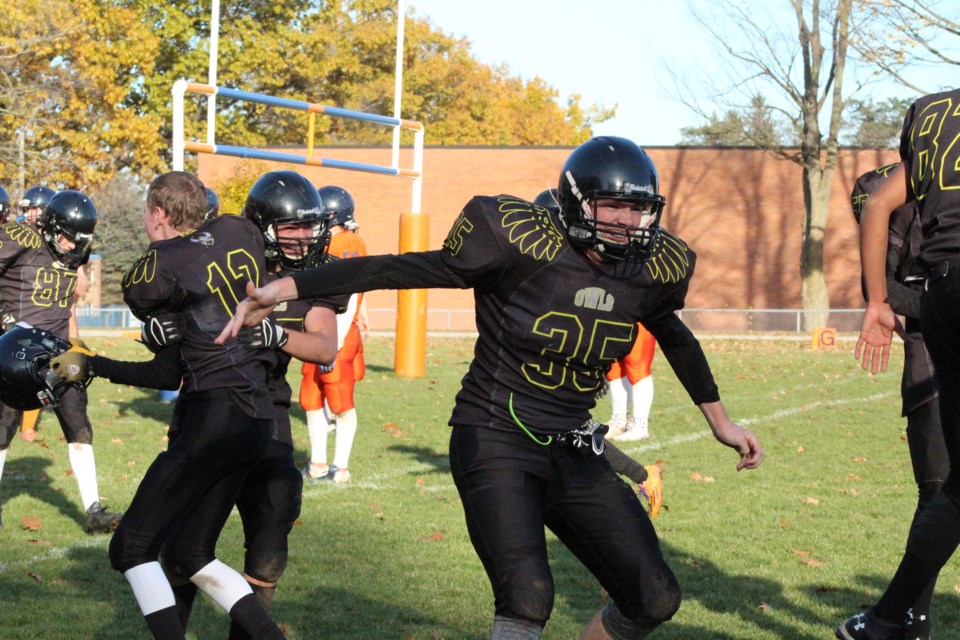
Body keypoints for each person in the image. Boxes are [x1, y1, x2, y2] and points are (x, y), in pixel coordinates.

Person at [220, 136, 764, 639]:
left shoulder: (651, 270)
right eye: (610, 207)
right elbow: (398, 267)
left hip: (572, 444)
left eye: (635, 209)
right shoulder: (521, 245)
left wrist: (720, 420)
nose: (625, 222)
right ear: (577, 204)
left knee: (654, 597)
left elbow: (673, 331)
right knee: (528, 596)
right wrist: (287, 285)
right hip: (495, 433)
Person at [55, 170, 341, 639]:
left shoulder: (167, 266)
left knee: (129, 548)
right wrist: (140, 346)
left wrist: (100, 360)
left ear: (156, 214)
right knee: (191, 554)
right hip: (254, 420)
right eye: (293, 228)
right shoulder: (235, 233)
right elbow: (174, 363)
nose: (303, 238)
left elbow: (168, 361)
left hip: (216, 417)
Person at [838, 88, 960, 640]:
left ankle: (892, 621)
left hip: (942, 309)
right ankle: (902, 622)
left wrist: (878, 303)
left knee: (953, 488)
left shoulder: (932, 116)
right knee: (943, 487)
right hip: (931, 340)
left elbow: (879, 205)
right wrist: (882, 301)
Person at [849, 163, 947, 640]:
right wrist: (942, 301)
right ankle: (911, 621)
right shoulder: (881, 192)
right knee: (938, 491)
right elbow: (881, 292)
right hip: (931, 360)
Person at [0, 189, 121, 534]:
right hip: (17, 352)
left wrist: (78, 348)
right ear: (52, 227)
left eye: (79, 239)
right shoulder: (21, 238)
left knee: (78, 420)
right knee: (3, 426)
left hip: (60, 351)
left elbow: (67, 306)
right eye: (68, 237)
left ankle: (94, 510)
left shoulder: (72, 255)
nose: (72, 245)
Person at [299, 185, 367, 484]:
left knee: (340, 400)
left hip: (335, 333)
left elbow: (350, 291)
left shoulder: (347, 242)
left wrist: (338, 337)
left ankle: (340, 467)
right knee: (310, 398)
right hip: (317, 332)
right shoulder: (326, 242)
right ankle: (317, 462)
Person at [607, 323, 656, 440]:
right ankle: (619, 422)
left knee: (637, 368)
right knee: (614, 368)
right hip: (618, 316)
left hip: (640, 317)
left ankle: (640, 427)